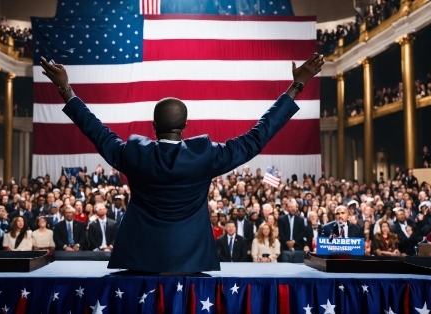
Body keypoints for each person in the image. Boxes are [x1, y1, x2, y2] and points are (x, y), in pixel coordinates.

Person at [39, 52, 324, 272]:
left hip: (138, 257)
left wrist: (66, 90)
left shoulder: (133, 154)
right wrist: (297, 85)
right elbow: (257, 137)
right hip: (192, 259)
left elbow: (95, 130)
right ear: (185, 125)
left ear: (153, 126)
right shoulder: (205, 156)